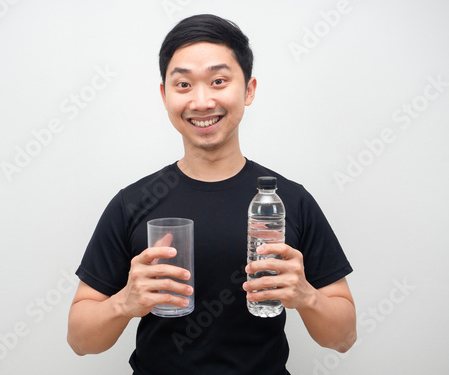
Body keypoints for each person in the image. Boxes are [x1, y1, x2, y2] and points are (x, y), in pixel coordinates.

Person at [67, 14, 356, 375]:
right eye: (184, 85)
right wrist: (124, 303)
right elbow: (79, 341)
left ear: (249, 90)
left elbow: (343, 338)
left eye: (218, 81)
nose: (202, 102)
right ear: (165, 95)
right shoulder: (133, 202)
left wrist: (306, 296)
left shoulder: (290, 202)